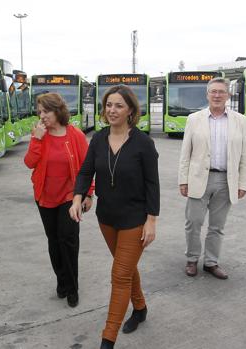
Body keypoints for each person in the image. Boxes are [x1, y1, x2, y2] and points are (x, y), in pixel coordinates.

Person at [70, 85, 159, 349]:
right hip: (106, 217)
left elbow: (152, 184)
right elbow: (86, 172)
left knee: (119, 275)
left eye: (119, 105)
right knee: (127, 267)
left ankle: (107, 340)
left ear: (131, 109)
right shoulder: (98, 138)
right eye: (109, 105)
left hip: (135, 219)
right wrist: (77, 198)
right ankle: (140, 308)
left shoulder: (143, 143)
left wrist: (152, 220)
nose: (112, 110)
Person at [178, 77, 246, 280]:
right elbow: (186, 152)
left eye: (221, 91)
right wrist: (183, 180)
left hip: (226, 180)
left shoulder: (241, 121)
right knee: (193, 222)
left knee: (217, 226)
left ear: (228, 95)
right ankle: (192, 259)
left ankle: (211, 262)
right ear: (207, 94)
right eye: (213, 92)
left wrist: (243, 183)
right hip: (198, 178)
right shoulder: (194, 119)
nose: (217, 95)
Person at [24, 93, 94, 308]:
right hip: (45, 196)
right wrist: (36, 139)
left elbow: (86, 166)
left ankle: (72, 288)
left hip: (70, 197)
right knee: (54, 242)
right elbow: (29, 163)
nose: (41, 115)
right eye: (40, 111)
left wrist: (89, 193)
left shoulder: (75, 135)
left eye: (46, 111)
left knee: (68, 240)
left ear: (58, 111)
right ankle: (61, 280)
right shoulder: (39, 134)